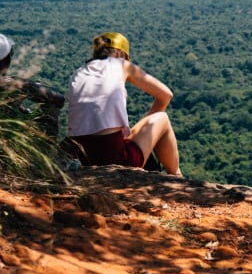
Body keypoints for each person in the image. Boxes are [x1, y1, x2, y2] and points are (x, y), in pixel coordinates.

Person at [64, 32, 182, 176]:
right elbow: (166, 95)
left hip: (77, 154)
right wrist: (147, 135)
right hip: (113, 158)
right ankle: (176, 177)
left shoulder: (78, 72)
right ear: (120, 54)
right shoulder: (121, 64)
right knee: (162, 118)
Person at [0, 32, 66, 137]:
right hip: (8, 135)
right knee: (52, 106)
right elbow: (59, 99)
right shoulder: (15, 85)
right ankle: (45, 144)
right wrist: (31, 85)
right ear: (6, 58)